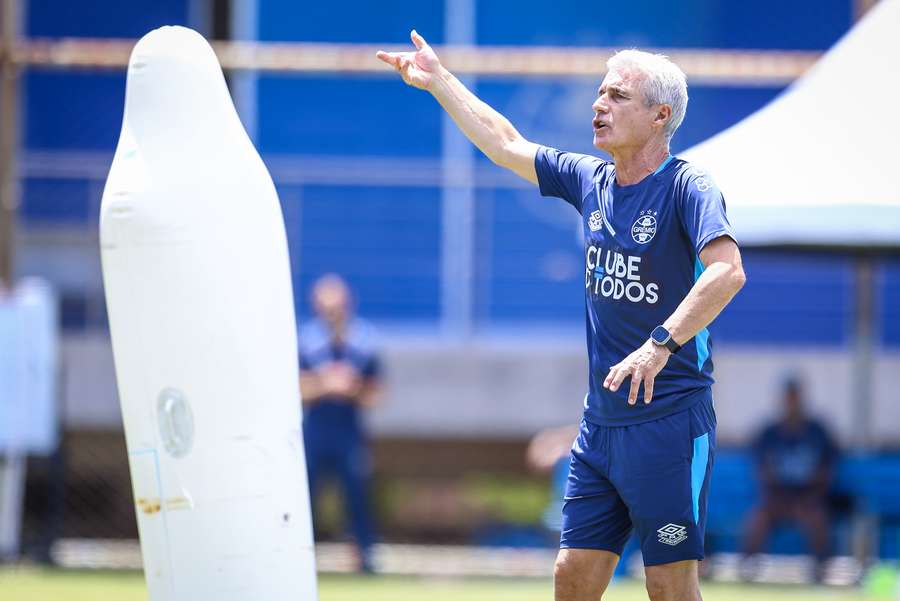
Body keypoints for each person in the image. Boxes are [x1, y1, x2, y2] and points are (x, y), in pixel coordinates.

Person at [377, 32, 746, 601]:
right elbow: (504, 143)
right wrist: (439, 81)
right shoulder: (590, 181)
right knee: (571, 579)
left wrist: (659, 345)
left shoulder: (687, 187)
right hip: (599, 428)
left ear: (659, 116)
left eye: (618, 95)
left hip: (669, 426)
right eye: (599, 93)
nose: (599, 104)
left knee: (670, 587)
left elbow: (727, 272)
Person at [299, 274, 382, 573]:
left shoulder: (364, 343)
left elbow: (376, 394)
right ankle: (299, 557)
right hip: (316, 430)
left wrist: (352, 388)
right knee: (306, 495)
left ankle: (365, 558)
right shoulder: (306, 343)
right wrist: (325, 385)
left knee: (357, 494)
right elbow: (295, 389)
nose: (331, 314)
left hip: (349, 431)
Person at [742, 376, 838, 575]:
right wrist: (780, 500)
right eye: (788, 398)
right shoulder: (769, 432)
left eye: (795, 397)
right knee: (758, 517)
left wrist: (809, 498)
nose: (792, 402)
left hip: (810, 499)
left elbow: (827, 471)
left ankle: (821, 569)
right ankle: (748, 567)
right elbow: (762, 471)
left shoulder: (817, 431)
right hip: (777, 499)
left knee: (817, 517)